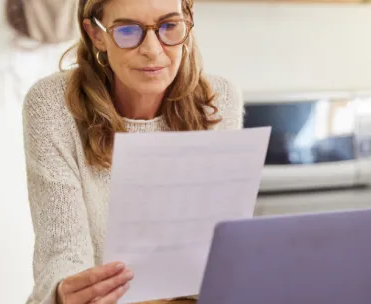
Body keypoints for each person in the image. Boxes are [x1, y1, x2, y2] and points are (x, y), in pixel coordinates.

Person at [22, 0, 244, 303]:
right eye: (127, 30)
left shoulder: (219, 99)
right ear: (96, 34)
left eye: (169, 26)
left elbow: (217, 252)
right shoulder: (53, 105)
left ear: (187, 22)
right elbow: (63, 253)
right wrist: (65, 291)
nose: (152, 50)